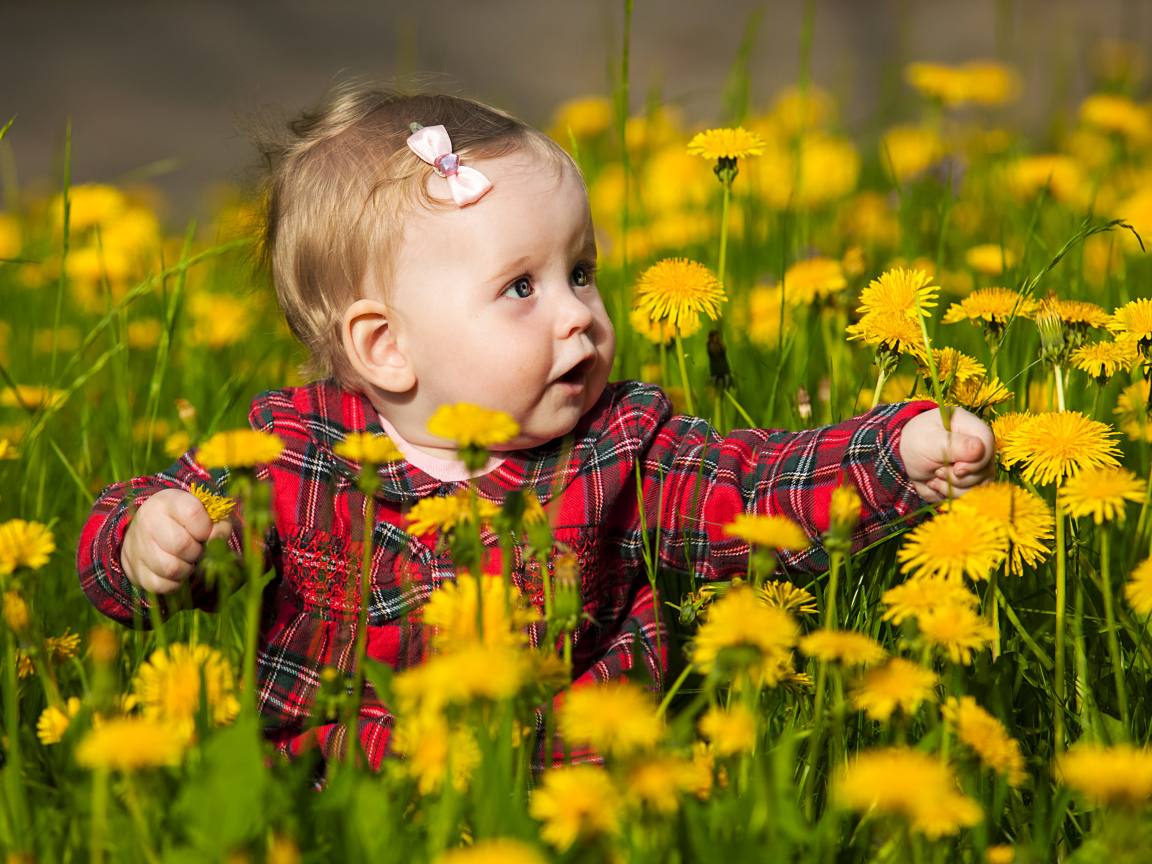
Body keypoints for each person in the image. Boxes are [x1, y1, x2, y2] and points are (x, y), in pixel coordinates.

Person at [77, 87, 995, 771]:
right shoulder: (291, 454)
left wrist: (899, 451)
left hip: (571, 790)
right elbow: (139, 534)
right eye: (523, 287)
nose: (578, 316)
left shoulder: (620, 447)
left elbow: (756, 487)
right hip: (338, 796)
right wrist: (151, 542)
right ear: (385, 345)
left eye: (581, 271)